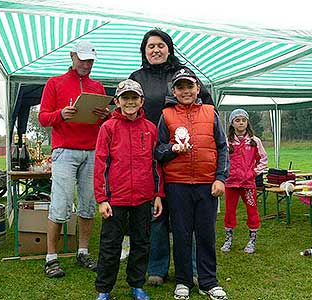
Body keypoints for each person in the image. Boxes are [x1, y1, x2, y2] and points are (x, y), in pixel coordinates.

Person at [129, 29, 214, 285]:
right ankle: (157, 267)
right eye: (150, 46)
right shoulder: (137, 77)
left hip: (184, 154)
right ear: (144, 51)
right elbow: (126, 106)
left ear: (169, 48)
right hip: (149, 154)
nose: (156, 50)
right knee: (156, 212)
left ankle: (192, 270)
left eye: (160, 45)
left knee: (186, 215)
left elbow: (208, 107)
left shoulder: (183, 74)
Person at [155, 68, 229, 300]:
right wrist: (172, 149)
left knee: (206, 234)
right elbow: (157, 150)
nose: (185, 91)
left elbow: (222, 147)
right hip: (177, 185)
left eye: (190, 86)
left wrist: (220, 178)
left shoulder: (210, 112)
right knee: (181, 234)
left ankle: (209, 281)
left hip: (207, 184)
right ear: (174, 91)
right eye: (180, 87)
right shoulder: (166, 115)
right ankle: (183, 281)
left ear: (198, 88)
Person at [39, 40, 110, 278]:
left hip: (92, 151)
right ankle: (51, 257)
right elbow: (43, 118)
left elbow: (102, 124)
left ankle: (83, 252)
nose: (86, 64)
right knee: (60, 204)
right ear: (72, 56)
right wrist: (60, 114)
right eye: (82, 59)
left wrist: (105, 116)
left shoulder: (97, 86)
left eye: (90, 60)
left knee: (89, 205)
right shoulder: (54, 83)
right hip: (64, 151)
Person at [94, 79, 164, 300]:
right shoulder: (108, 128)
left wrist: (158, 194)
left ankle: (137, 285)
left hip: (143, 198)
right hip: (115, 199)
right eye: (126, 98)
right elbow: (100, 164)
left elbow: (156, 165)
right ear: (117, 101)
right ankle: (104, 289)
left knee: (141, 244)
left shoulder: (150, 128)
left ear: (142, 101)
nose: (130, 102)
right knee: (110, 246)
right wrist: (102, 199)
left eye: (135, 98)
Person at [221, 109, 267, 254]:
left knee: (252, 211)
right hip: (231, 183)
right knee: (229, 212)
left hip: (248, 183)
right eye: (237, 120)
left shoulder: (254, 141)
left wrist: (253, 172)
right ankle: (228, 239)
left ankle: (252, 240)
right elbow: (221, 159)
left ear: (247, 122)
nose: (241, 123)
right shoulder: (227, 141)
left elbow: (263, 160)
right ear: (232, 123)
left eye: (243, 120)